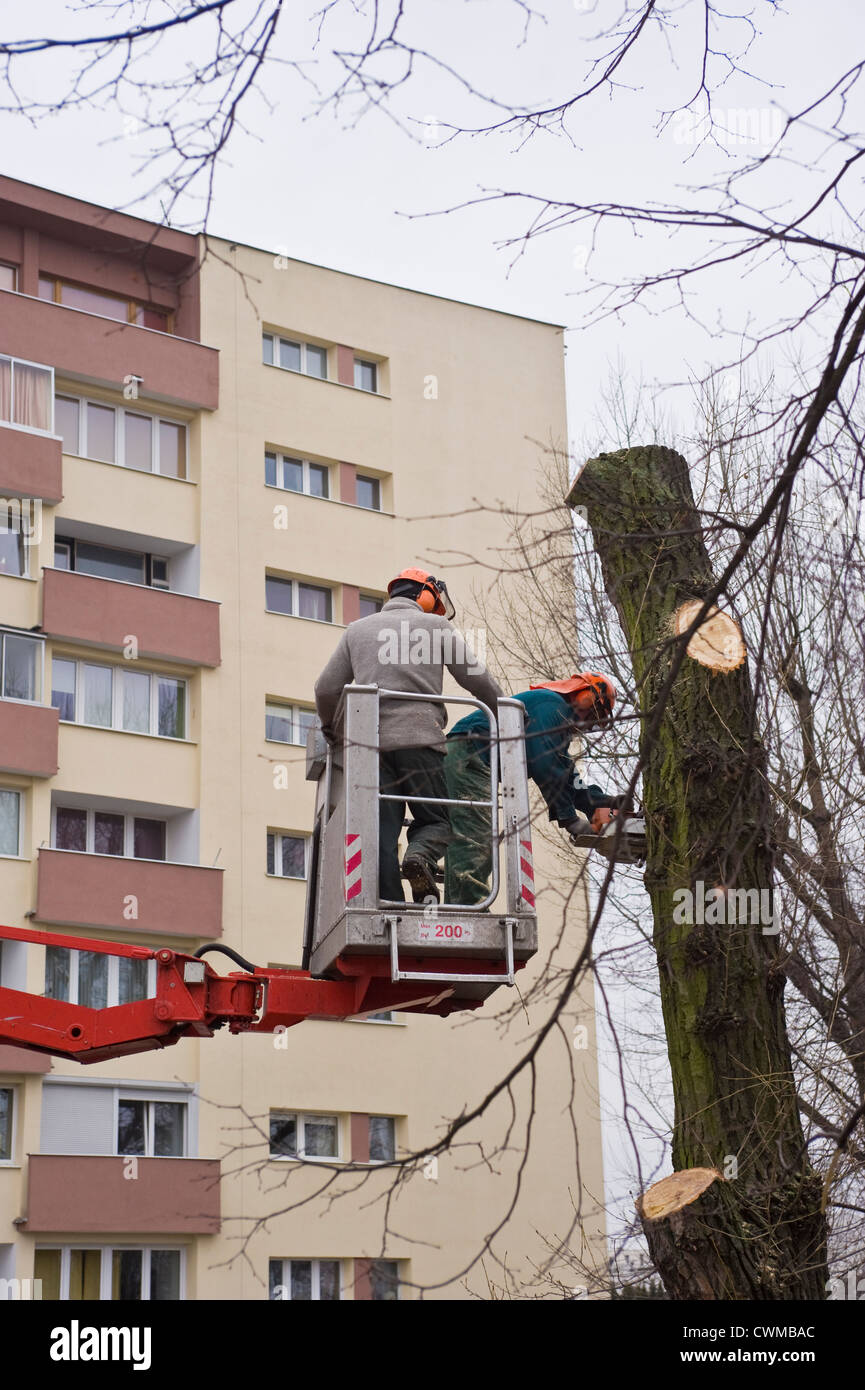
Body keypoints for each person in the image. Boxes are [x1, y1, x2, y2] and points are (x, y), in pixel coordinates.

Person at [314, 567, 503, 904]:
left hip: (371, 749)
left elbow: (326, 689)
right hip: (422, 741)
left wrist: (331, 728)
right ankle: (420, 856)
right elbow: (476, 678)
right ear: (425, 594)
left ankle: (388, 905)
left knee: (381, 836)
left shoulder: (356, 631)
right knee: (437, 819)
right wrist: (506, 709)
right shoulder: (436, 626)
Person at [444, 672, 620, 904]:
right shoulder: (553, 707)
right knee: (475, 836)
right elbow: (545, 763)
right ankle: (465, 910)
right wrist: (569, 819)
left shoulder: (555, 718)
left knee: (472, 833)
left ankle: (461, 905)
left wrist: (600, 803)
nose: (587, 725)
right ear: (585, 696)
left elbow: (565, 772)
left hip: (469, 755)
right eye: (593, 716)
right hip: (469, 754)